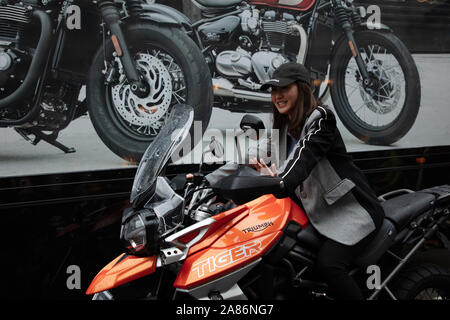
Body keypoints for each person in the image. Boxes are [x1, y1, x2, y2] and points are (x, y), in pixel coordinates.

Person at [249, 62, 385, 300]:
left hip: (351, 212)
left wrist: (280, 181)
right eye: (273, 91)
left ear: (301, 89)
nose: (277, 96)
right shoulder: (282, 126)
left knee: (329, 265)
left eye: (283, 88)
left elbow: (303, 157)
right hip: (317, 214)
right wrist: (217, 174)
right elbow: (254, 153)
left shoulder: (322, 119)